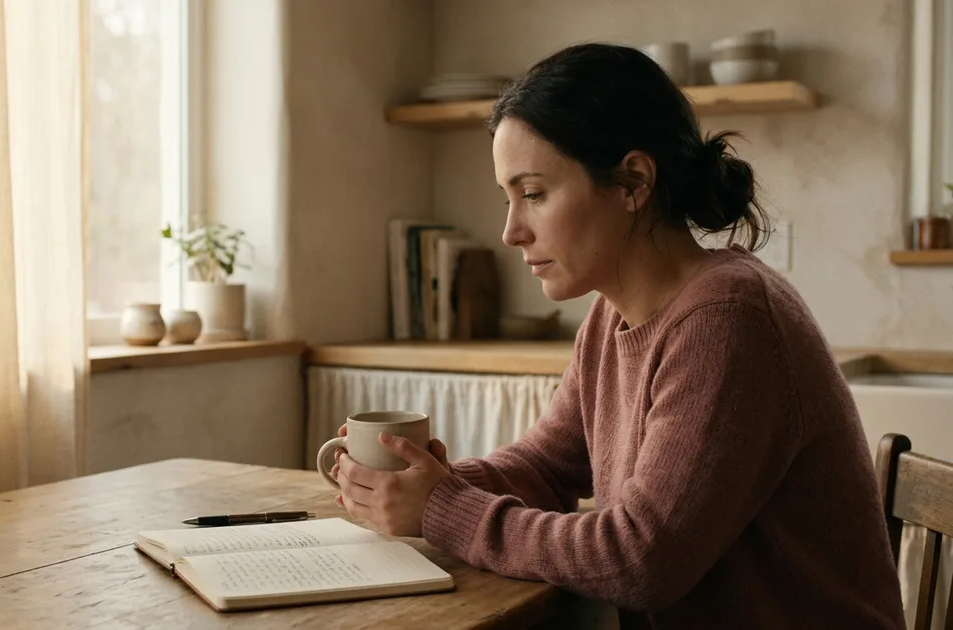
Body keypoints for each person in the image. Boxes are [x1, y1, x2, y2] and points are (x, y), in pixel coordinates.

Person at [329, 43, 906, 628]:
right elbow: (548, 467)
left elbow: (639, 559)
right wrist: (426, 484)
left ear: (633, 182)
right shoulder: (612, 316)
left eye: (533, 194)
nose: (510, 232)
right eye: (508, 198)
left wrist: (446, 510)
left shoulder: (728, 318)